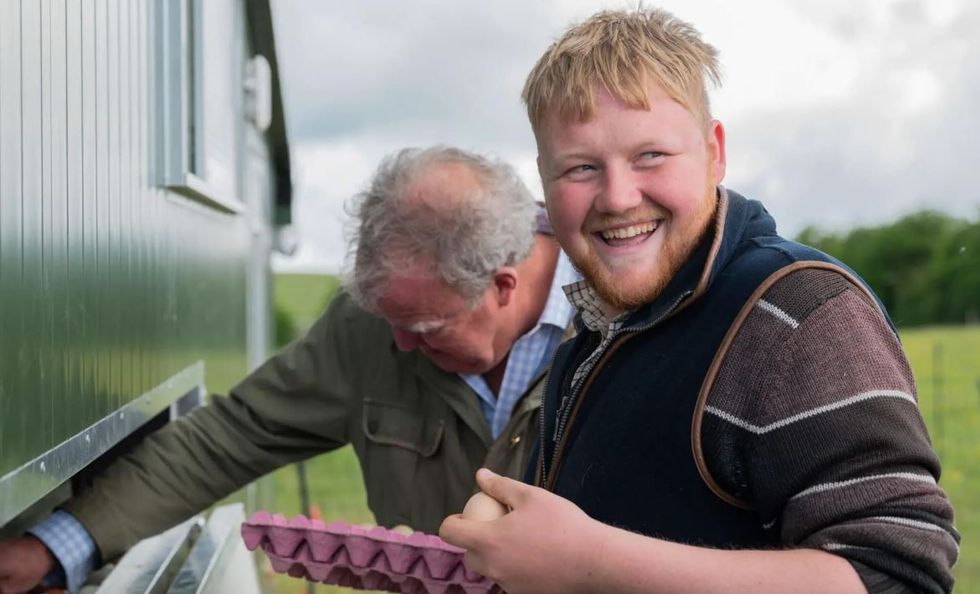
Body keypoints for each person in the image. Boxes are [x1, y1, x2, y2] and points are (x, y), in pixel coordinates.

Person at [440, 9, 959, 594]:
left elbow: (896, 577)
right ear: (544, 179)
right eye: (581, 168)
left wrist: (588, 561)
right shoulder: (599, 329)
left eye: (651, 156)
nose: (618, 197)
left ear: (714, 151)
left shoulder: (797, 315)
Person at [0, 146, 579, 594]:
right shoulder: (372, 326)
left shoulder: (614, 328)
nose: (399, 345)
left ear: (502, 286)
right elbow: (231, 437)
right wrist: (56, 545)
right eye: (390, 322)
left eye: (424, 327)